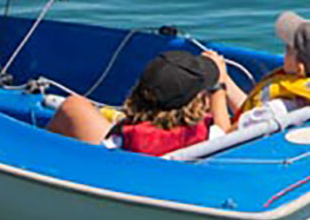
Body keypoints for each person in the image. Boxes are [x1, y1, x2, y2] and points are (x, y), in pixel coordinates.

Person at [47, 48, 246, 154]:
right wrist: (219, 85)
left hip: (124, 173)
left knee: (73, 106)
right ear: (196, 101)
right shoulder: (209, 137)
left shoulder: (122, 140)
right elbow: (224, 129)